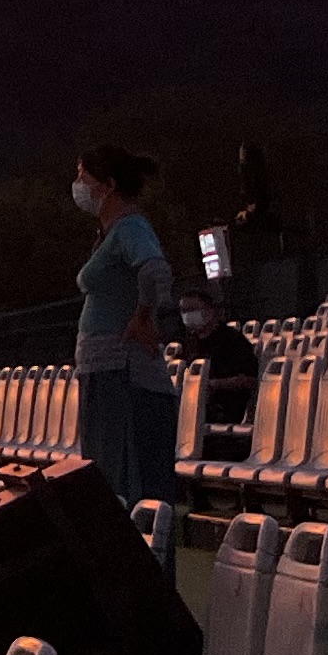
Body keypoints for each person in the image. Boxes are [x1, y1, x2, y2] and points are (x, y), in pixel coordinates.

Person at [74, 145, 178, 508]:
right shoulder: (108, 234)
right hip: (102, 373)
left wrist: (143, 315)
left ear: (108, 185)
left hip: (123, 373)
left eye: (83, 178)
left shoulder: (131, 227)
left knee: (128, 482)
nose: (78, 186)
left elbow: (155, 270)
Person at [176, 283, 260, 454]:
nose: (188, 315)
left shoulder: (232, 341)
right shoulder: (189, 344)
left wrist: (213, 385)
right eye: (184, 311)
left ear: (210, 310)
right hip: (191, 409)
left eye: (193, 309)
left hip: (223, 411)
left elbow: (250, 380)